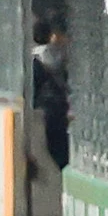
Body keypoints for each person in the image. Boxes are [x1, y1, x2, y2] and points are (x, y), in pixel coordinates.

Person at [29, 18, 71, 172]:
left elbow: (34, 86)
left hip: (46, 110)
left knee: (51, 147)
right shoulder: (63, 56)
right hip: (63, 107)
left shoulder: (33, 62)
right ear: (50, 35)